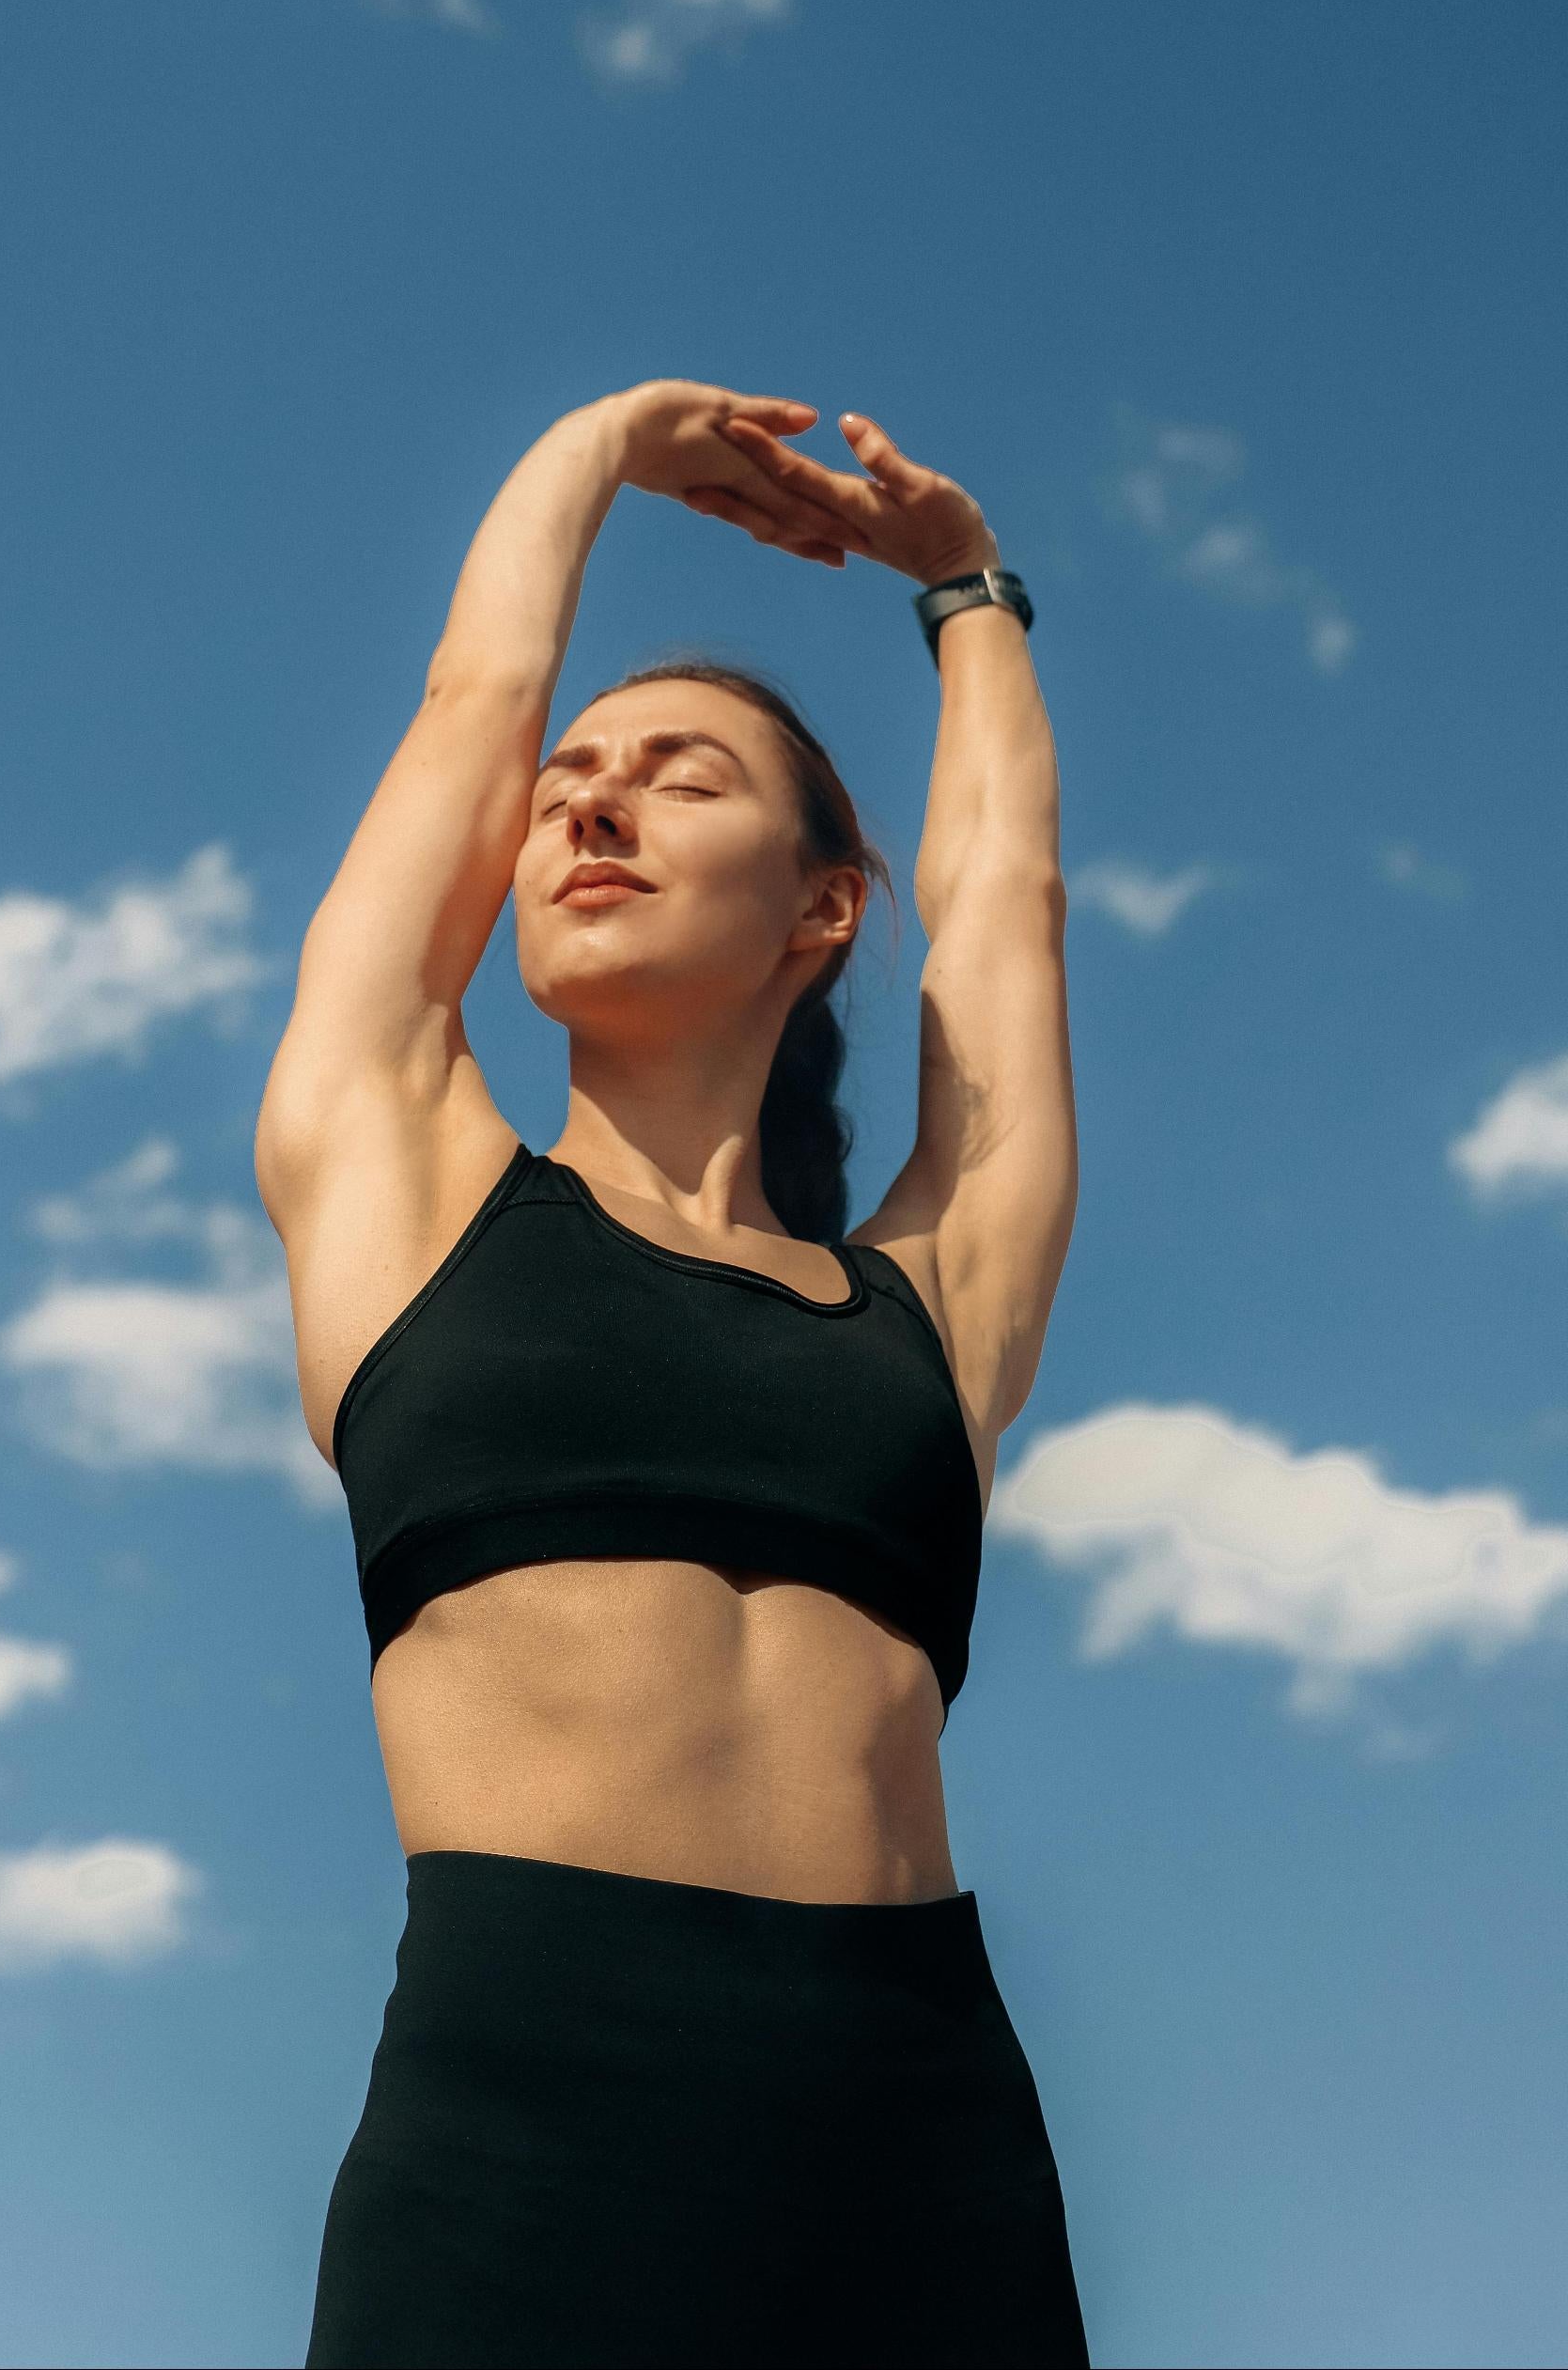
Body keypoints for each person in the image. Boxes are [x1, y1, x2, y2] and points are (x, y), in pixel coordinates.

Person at [256, 380, 1088, 2368]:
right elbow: (476, 714)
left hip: (920, 2137)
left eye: (680, 777)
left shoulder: (929, 1299)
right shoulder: (403, 1180)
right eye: (574, 782)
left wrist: (965, 587)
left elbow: (1004, 921)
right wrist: (594, 454)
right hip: (523, 2128)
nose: (587, 804)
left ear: (823, 907)